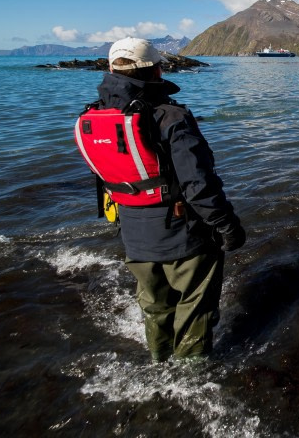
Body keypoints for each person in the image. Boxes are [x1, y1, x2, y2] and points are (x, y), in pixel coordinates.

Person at [74, 37, 246, 361]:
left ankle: (159, 362)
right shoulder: (170, 116)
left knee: (155, 307)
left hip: (133, 237)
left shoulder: (92, 118)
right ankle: (190, 379)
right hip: (183, 236)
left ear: (111, 69)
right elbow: (199, 184)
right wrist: (228, 226)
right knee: (195, 310)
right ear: (156, 70)